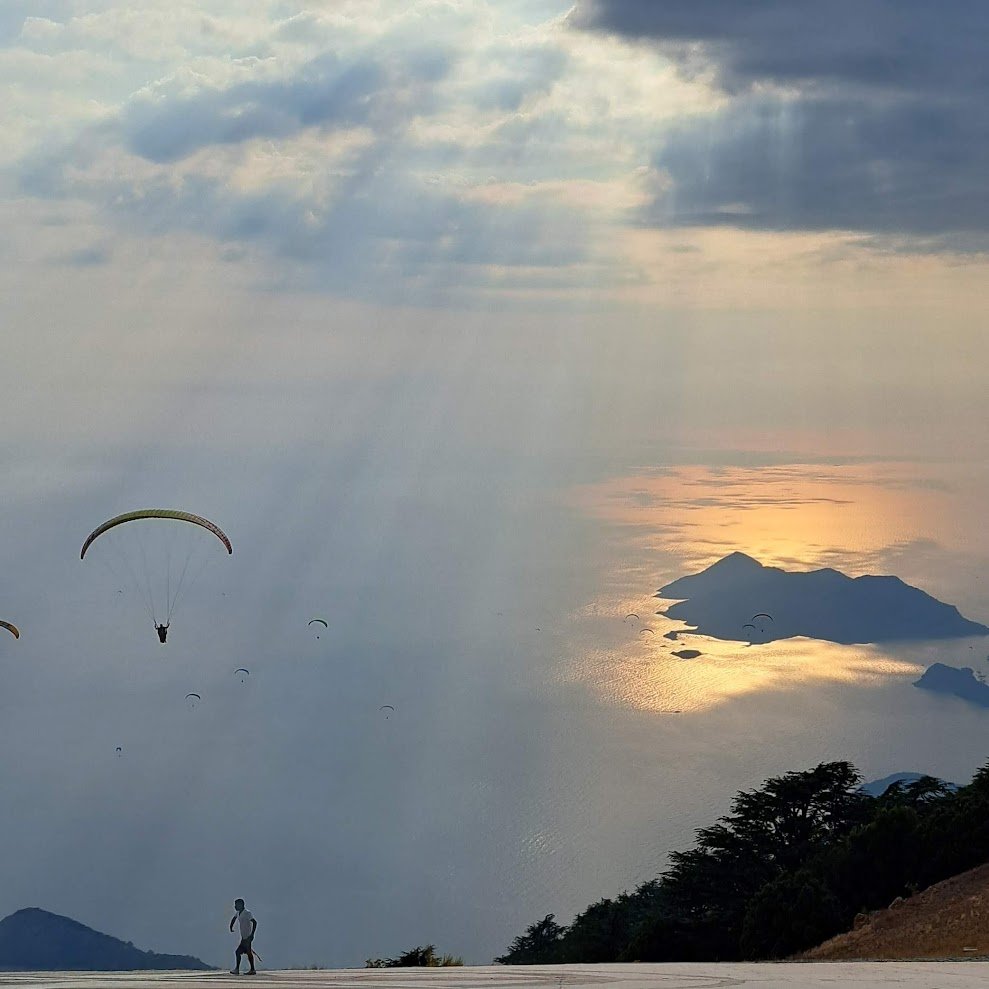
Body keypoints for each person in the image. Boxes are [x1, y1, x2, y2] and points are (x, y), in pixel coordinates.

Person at [229, 898, 257, 975]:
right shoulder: (238, 913)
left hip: (247, 937)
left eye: (236, 905)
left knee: (239, 952)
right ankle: (251, 969)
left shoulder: (247, 913)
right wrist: (231, 926)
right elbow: (234, 918)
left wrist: (252, 934)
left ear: (241, 905)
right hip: (244, 937)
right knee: (247, 952)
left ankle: (239, 969)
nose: (235, 906)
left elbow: (254, 922)